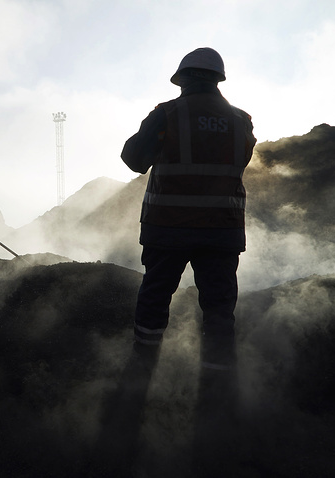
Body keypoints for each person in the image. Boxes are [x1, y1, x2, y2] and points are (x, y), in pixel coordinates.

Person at [120, 47, 256, 370]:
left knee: (155, 298)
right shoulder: (241, 121)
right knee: (219, 308)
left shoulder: (167, 114)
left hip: (168, 228)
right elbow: (241, 160)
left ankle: (142, 368)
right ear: (217, 79)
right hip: (221, 230)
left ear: (183, 79)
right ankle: (218, 378)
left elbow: (134, 159)